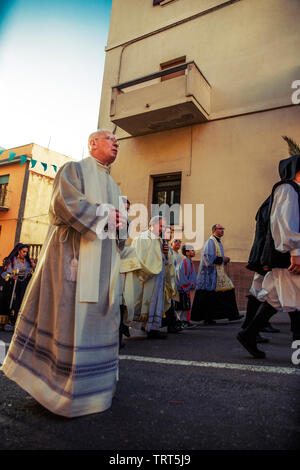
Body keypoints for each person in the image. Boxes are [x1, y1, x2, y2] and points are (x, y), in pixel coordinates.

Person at [1, 129, 128, 417]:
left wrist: (122, 223)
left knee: (96, 324)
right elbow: (63, 204)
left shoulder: (114, 187)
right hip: (73, 260)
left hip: (101, 272)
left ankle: (93, 392)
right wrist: (104, 214)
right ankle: (55, 389)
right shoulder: (75, 170)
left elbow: (121, 230)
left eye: (118, 141)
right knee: (68, 321)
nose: (116, 144)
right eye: (110, 139)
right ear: (92, 143)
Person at [237, 154, 300, 358]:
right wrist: (295, 252)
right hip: (287, 256)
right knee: (297, 303)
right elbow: (283, 225)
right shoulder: (287, 189)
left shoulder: (293, 190)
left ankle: (249, 334)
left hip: (287, 256)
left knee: (274, 299)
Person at [127, 216, 174, 339]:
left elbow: (164, 261)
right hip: (146, 277)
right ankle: (145, 326)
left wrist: (165, 254)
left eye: (164, 227)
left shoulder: (160, 241)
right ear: (151, 226)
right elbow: (138, 258)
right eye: (161, 226)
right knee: (143, 301)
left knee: (156, 302)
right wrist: (146, 272)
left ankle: (152, 327)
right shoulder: (142, 239)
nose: (163, 229)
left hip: (158, 278)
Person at [191, 224, 243, 324]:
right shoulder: (210, 242)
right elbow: (208, 258)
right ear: (214, 230)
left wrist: (223, 260)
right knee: (209, 296)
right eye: (220, 229)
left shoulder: (217, 242)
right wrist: (222, 259)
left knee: (227, 291)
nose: (222, 230)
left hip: (218, 273)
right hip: (209, 276)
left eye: (223, 229)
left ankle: (232, 315)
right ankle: (209, 318)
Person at [0, 244, 35, 331]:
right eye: (23, 251)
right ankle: (9, 321)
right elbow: (4, 273)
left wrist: (33, 267)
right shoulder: (12, 261)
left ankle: (18, 322)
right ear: (19, 251)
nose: (25, 254)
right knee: (13, 303)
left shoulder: (27, 262)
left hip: (23, 285)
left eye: (26, 252)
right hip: (13, 285)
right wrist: (12, 276)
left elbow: (30, 272)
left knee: (21, 302)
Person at [175, 244, 197, 328]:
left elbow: (193, 276)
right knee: (181, 307)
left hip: (187, 288)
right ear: (187, 252)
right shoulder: (183, 263)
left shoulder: (190, 262)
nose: (193, 251)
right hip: (182, 289)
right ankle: (181, 322)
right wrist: (188, 285)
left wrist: (193, 284)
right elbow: (181, 276)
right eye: (191, 250)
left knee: (186, 305)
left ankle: (186, 321)